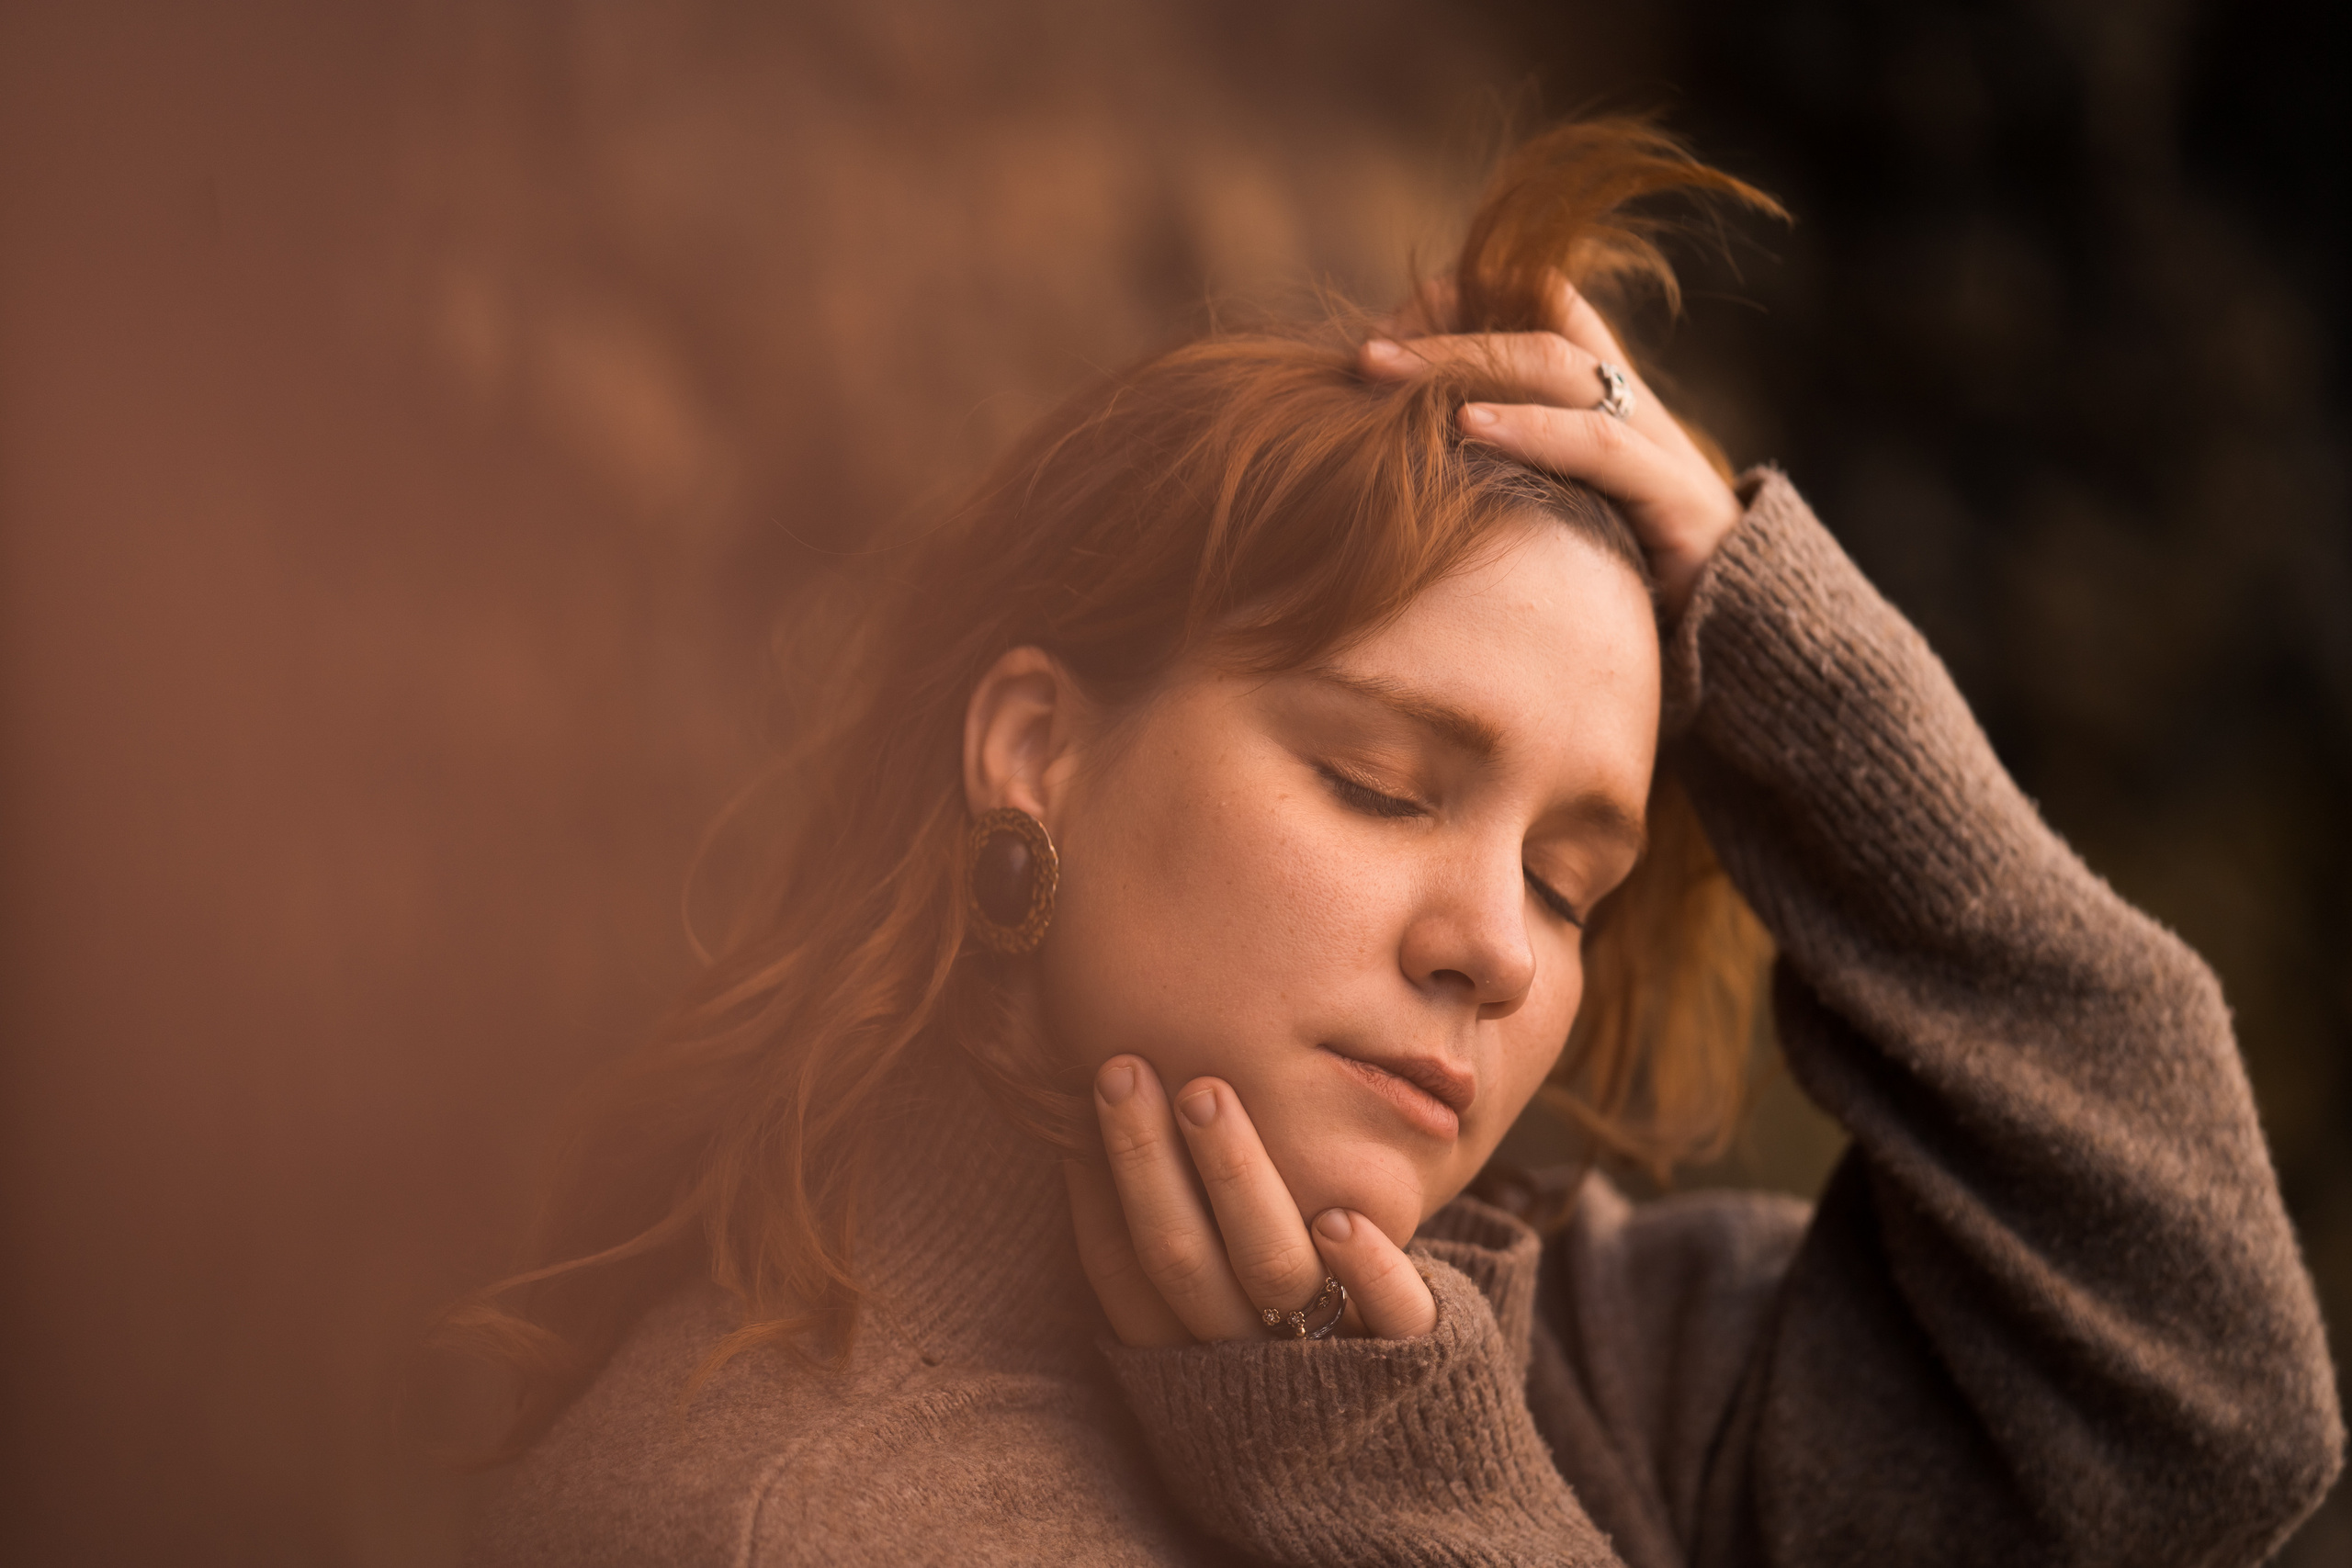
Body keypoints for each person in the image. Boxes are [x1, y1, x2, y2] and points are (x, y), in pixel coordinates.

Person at [449, 120, 2342, 1566]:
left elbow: (2208, 1410)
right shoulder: (795, 1519)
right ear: (1035, 753)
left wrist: (1777, 644)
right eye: (1377, 782)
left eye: (1569, 883)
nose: (1496, 951)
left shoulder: (1570, 1348)